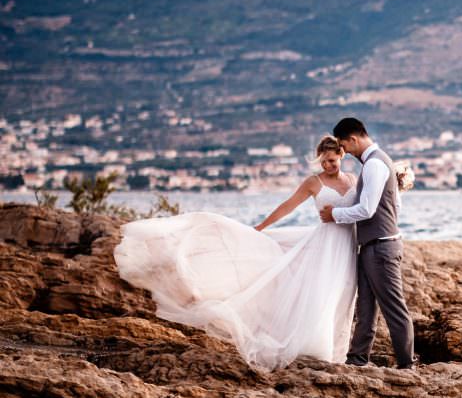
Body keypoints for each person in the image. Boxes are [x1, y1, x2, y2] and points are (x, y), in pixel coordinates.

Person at [113, 136, 359, 371]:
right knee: (322, 292)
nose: (328, 165)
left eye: (332, 160)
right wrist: (261, 227)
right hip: (325, 244)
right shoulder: (313, 183)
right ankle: (317, 348)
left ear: (341, 155)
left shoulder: (351, 180)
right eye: (324, 161)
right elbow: (287, 206)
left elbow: (366, 206)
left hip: (347, 243)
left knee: (344, 292)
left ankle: (340, 351)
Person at [319, 117, 416, 370]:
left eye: (344, 146)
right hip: (372, 246)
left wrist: (335, 215)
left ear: (353, 139)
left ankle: (407, 365)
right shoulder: (378, 162)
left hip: (382, 247)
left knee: (394, 308)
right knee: (365, 308)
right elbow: (393, 205)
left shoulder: (374, 165)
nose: (344, 152)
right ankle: (357, 359)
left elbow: (368, 209)